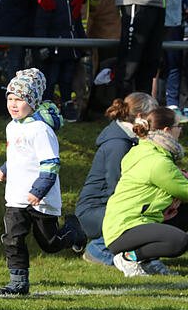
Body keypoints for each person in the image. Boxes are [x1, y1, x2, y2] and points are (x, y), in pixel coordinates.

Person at [0, 68, 87, 295]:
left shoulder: (41, 130)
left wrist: (38, 191)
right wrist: (5, 168)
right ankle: (18, 283)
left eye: (20, 100)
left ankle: (72, 231)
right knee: (12, 239)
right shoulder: (12, 126)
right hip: (16, 197)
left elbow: (50, 164)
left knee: (50, 243)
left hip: (41, 199)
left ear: (33, 102)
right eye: (10, 99)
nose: (13, 105)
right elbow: (18, 155)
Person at [76, 93, 178, 274]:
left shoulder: (132, 141)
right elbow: (117, 187)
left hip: (109, 206)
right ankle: (100, 250)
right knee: (140, 217)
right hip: (95, 210)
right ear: (140, 117)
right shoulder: (118, 145)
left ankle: (143, 257)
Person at [103, 107, 188, 276]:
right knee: (179, 242)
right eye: (179, 126)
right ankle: (129, 257)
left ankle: (147, 260)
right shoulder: (157, 162)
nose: (181, 131)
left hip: (132, 222)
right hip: (125, 228)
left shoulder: (145, 151)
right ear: (166, 130)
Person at [34, 0, 85, 122]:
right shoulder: (50, 0)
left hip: (70, 49)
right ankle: (47, 107)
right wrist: (42, 46)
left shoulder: (73, 0)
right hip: (53, 49)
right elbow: (41, 25)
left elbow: (77, 25)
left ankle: (67, 104)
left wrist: (82, 43)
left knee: (67, 79)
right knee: (51, 79)